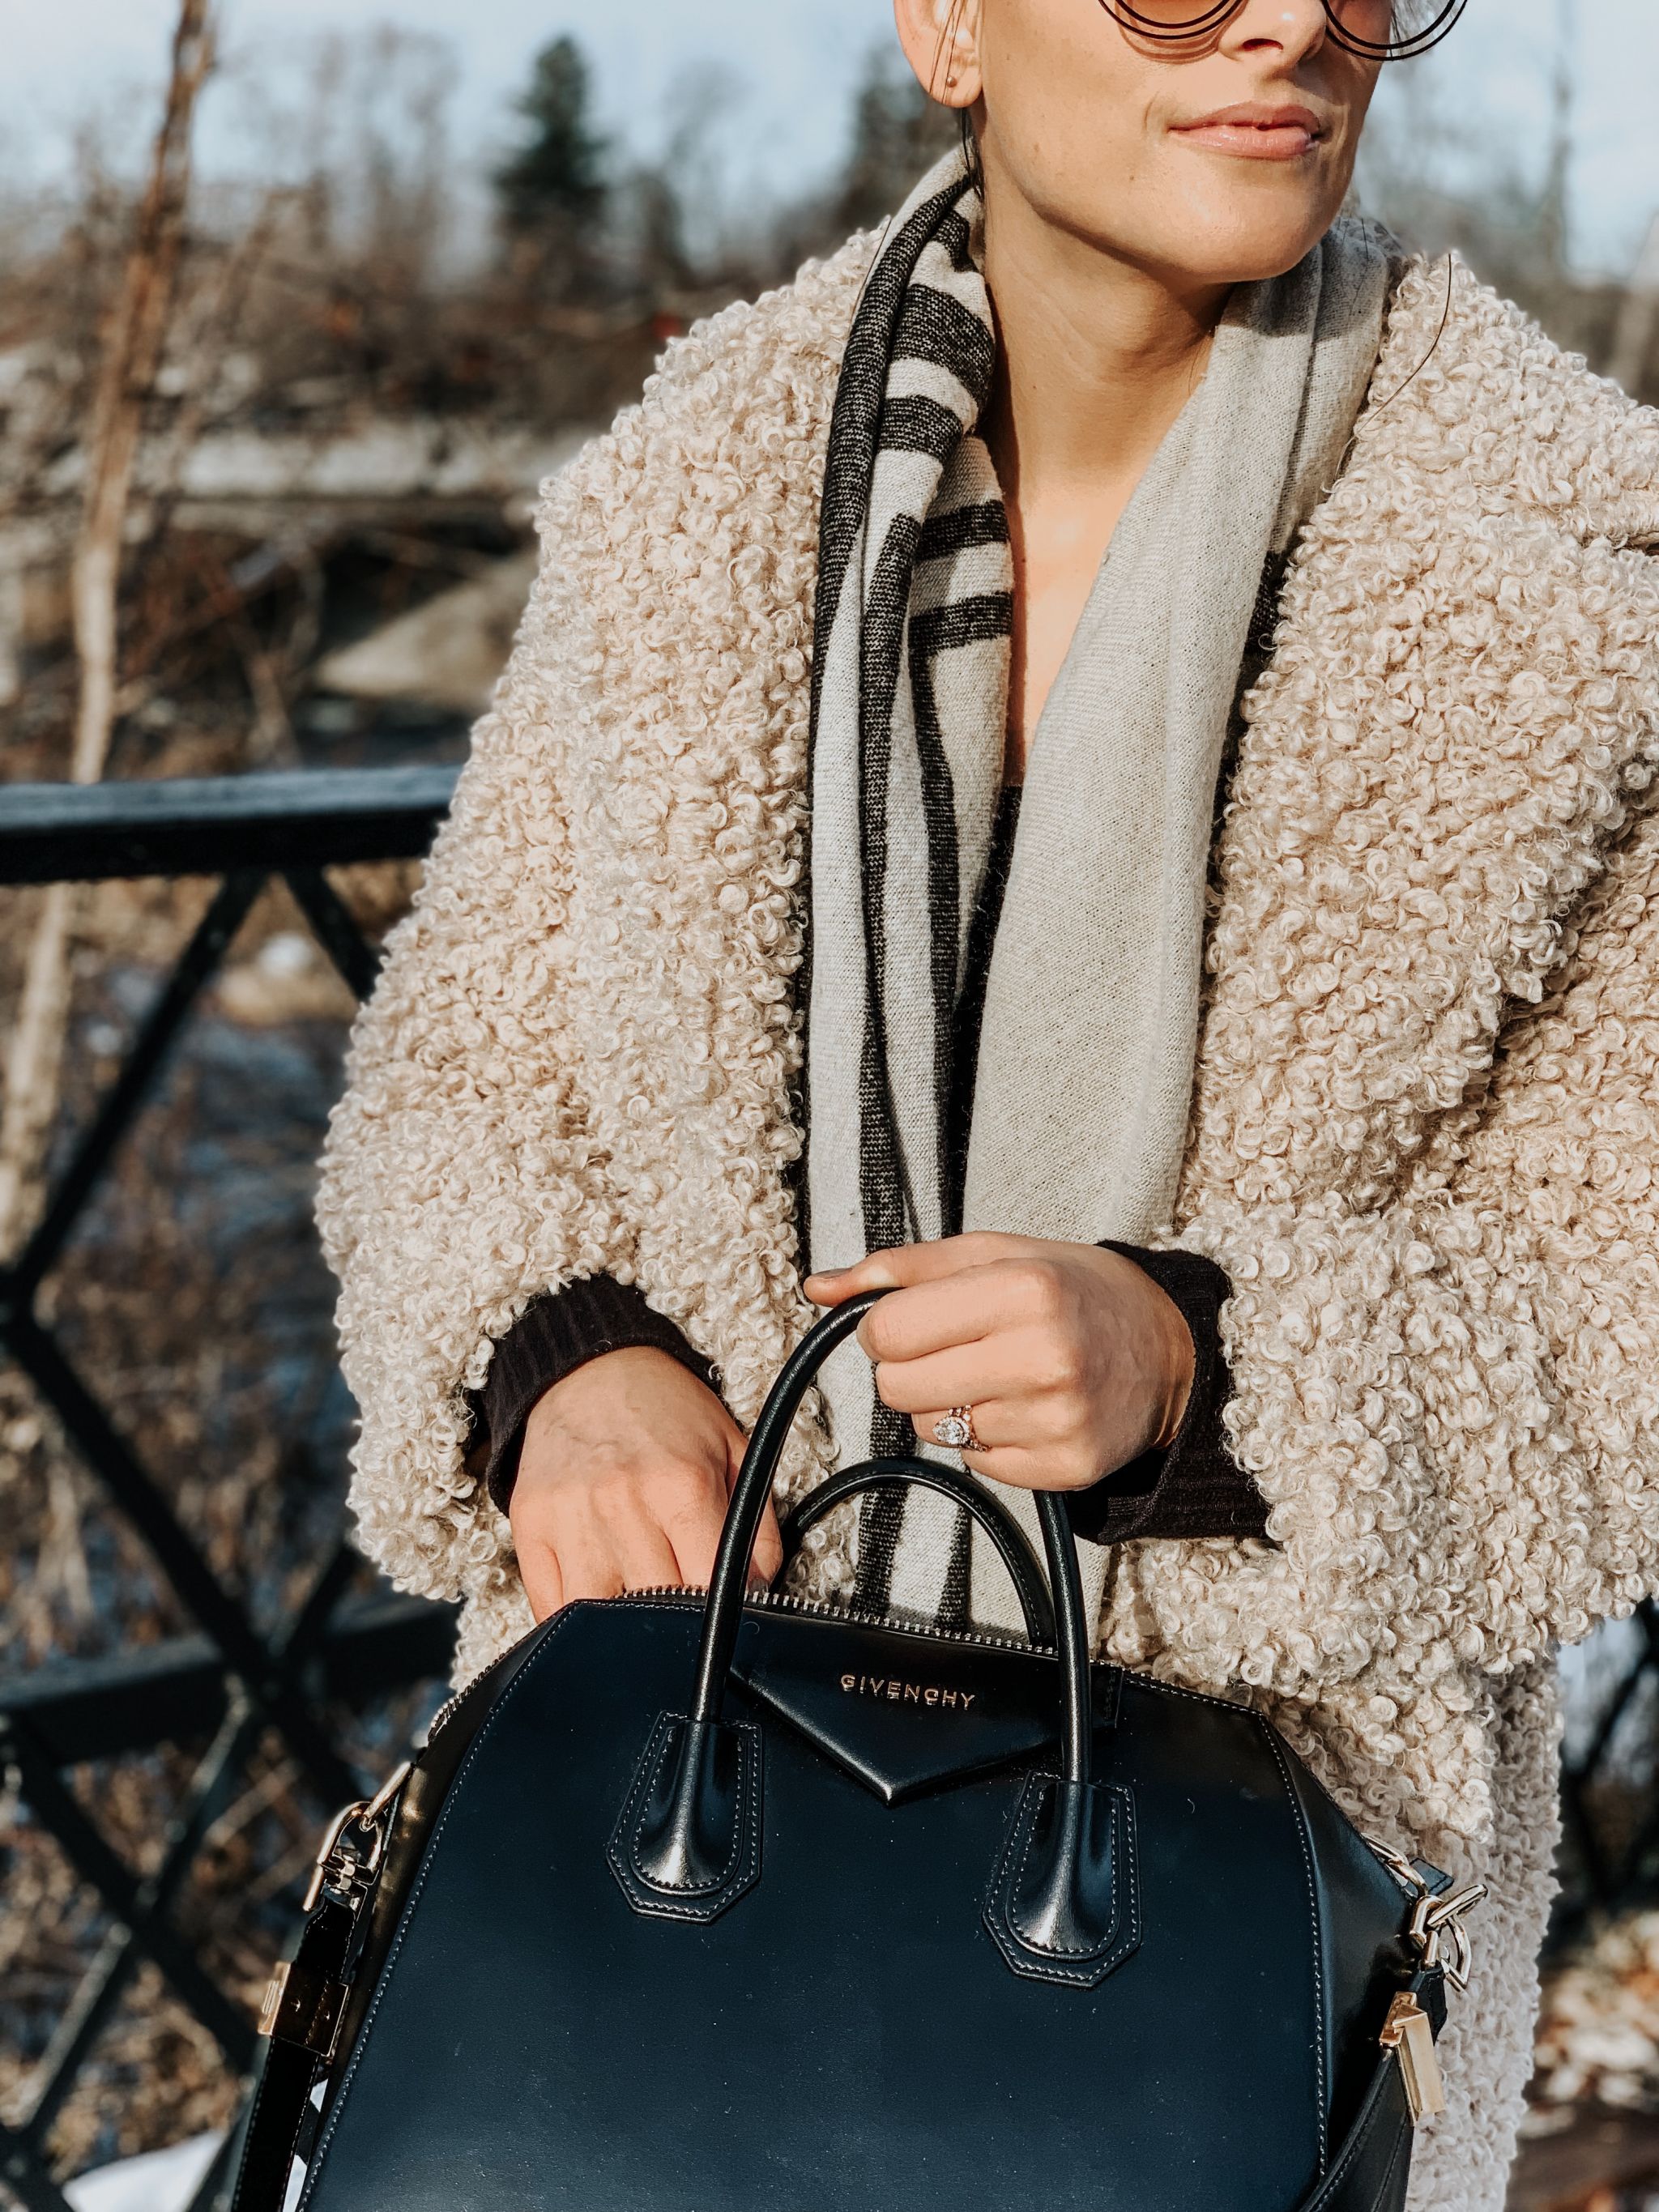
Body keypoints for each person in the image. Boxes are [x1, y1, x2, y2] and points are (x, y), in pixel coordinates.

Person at [317, 2, 1659, 2204]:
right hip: (657, 1908)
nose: (1286, 28)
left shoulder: (1574, 580)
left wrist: (1206, 1366)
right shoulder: (698, 494)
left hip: (1231, 1987)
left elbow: (1624, 1321)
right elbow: (456, 1084)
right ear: (947, 25)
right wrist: (564, 1363)